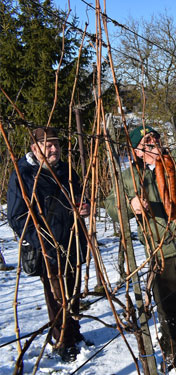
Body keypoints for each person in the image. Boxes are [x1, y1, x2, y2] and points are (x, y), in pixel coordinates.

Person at [104, 91, 176, 369]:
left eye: (156, 138)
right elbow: (111, 206)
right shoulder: (130, 177)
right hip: (160, 253)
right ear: (136, 151)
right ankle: (171, 349)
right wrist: (131, 204)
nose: (154, 142)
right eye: (147, 141)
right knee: (166, 307)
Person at [7, 127, 89, 362]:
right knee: (56, 296)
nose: (54, 149)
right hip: (47, 247)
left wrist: (83, 206)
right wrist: (43, 241)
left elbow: (80, 194)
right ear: (35, 148)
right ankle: (62, 340)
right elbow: (17, 216)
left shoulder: (65, 170)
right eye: (48, 145)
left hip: (72, 241)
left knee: (72, 292)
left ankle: (74, 332)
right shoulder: (23, 174)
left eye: (56, 145)